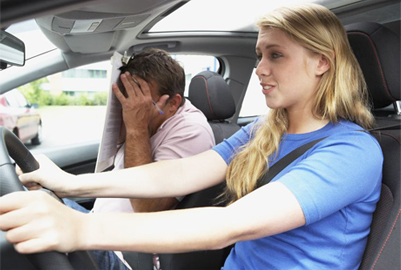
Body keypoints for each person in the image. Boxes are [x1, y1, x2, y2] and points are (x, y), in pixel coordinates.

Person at [0, 3, 383, 269]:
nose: (261, 69)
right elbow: (179, 173)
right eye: (259, 54)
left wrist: (80, 229)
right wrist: (71, 184)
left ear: (322, 62)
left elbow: (231, 225)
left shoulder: (352, 151)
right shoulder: (265, 131)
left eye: (276, 55)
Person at [54, 48, 216, 270]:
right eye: (129, 98)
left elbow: (147, 208)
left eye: (141, 101)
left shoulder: (192, 131)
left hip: (129, 256)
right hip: (102, 231)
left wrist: (136, 127)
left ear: (172, 104)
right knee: (37, 201)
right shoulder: (150, 120)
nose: (131, 107)